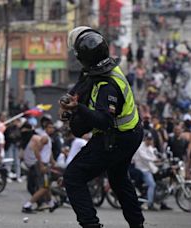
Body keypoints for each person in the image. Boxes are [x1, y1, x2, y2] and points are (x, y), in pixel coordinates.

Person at [60, 26, 144, 228]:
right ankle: (137, 225)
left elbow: (104, 120)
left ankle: (91, 225)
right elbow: (81, 86)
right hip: (131, 134)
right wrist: (69, 102)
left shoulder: (107, 85)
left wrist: (78, 108)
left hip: (116, 137)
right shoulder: (103, 68)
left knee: (73, 177)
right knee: (118, 179)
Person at [20, 122, 58, 213]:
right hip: (42, 165)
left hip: (46, 164)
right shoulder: (44, 138)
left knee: (47, 185)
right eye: (49, 127)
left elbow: (49, 152)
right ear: (45, 128)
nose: (51, 129)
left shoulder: (48, 138)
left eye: (52, 127)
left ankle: (51, 203)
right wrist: (41, 165)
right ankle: (27, 205)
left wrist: (53, 162)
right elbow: (36, 150)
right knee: (44, 187)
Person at [133, 134, 158, 210]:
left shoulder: (150, 147)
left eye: (151, 139)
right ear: (145, 139)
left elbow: (154, 155)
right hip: (143, 170)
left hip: (150, 168)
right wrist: (155, 160)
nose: (149, 141)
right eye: (148, 139)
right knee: (152, 184)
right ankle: (150, 203)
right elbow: (144, 157)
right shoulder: (141, 147)